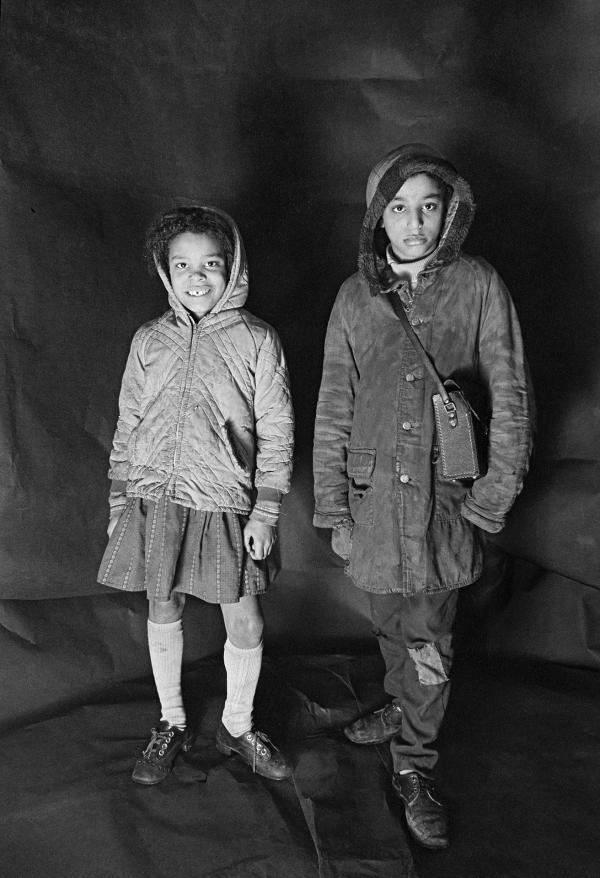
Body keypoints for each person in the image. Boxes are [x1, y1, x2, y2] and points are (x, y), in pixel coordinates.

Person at [313, 144, 533, 849]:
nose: (414, 223)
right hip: (373, 505)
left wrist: (490, 497)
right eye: (400, 208)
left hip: (442, 507)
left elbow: (511, 393)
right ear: (379, 217)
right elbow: (333, 406)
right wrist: (332, 507)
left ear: (451, 214)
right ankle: (399, 700)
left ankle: (414, 762)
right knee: (386, 619)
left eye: (429, 207)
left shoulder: (478, 286)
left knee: (430, 637)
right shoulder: (354, 298)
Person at [98, 205, 294, 785]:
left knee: (247, 622)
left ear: (231, 269)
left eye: (211, 264)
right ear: (166, 271)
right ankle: (171, 721)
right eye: (182, 265)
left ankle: (237, 724)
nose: (197, 277)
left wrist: (267, 507)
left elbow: (277, 427)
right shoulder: (149, 340)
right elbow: (127, 420)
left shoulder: (257, 339)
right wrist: (117, 501)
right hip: (156, 498)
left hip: (227, 504)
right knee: (164, 605)